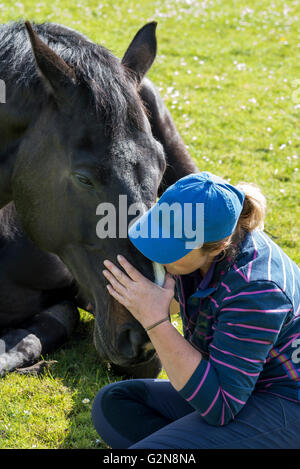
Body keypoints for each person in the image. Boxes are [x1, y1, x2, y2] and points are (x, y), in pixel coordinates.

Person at [91, 171, 300, 449]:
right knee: (115, 404)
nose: (155, 253)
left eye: (170, 245)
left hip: (285, 404)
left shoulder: (258, 290)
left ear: (215, 248)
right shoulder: (204, 251)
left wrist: (155, 320)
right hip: (242, 388)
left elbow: (221, 407)